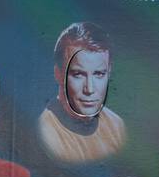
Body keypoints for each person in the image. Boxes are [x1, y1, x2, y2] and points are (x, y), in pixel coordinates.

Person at [37, 22, 126, 164]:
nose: (89, 89)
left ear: (109, 72)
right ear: (58, 74)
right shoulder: (45, 134)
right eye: (78, 74)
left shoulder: (117, 126)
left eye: (99, 74)